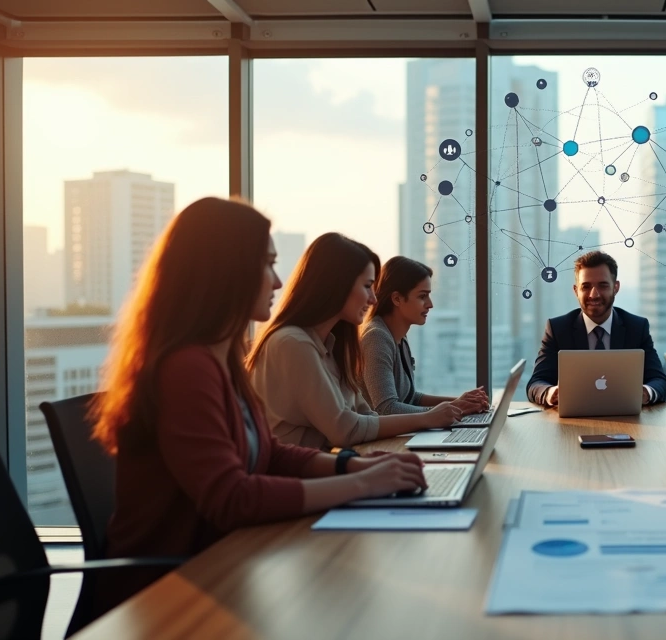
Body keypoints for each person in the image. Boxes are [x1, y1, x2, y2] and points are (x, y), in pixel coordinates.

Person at [92, 198, 427, 605]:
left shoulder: (221, 359)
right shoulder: (186, 368)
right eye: (267, 265)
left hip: (224, 564)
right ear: (225, 272)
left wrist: (352, 466)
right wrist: (360, 485)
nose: (278, 282)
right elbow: (231, 498)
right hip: (166, 591)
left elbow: (271, 453)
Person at [248, 233, 462, 450]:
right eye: (367, 286)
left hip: (320, 463)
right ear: (338, 286)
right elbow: (345, 429)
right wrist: (428, 417)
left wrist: (446, 410)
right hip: (294, 469)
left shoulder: (332, 347)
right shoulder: (293, 343)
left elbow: (366, 415)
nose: (374, 299)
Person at [526, 251, 666, 406]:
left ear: (616, 287)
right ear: (576, 291)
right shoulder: (558, 329)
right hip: (573, 419)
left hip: (625, 416)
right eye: (586, 287)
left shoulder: (637, 327)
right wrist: (550, 393)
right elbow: (536, 383)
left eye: (603, 285)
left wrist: (645, 393)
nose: (594, 295)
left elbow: (659, 380)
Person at [361, 256, 490, 417]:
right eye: (422, 296)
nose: (430, 304)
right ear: (397, 299)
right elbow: (386, 409)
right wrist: (453, 410)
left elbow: (411, 398)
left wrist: (461, 402)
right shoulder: (377, 338)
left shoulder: (399, 337)